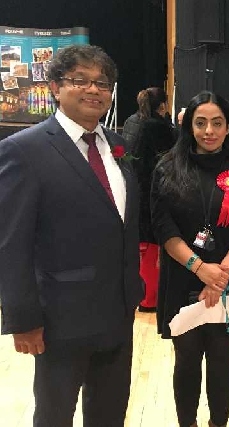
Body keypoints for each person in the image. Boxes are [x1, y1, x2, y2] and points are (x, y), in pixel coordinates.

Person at [0, 44, 143, 426]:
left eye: (102, 83)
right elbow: (11, 244)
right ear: (55, 88)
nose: (93, 90)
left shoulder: (118, 146)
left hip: (118, 311)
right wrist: (22, 318)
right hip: (60, 319)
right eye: (80, 80)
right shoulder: (23, 151)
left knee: (110, 413)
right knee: (54, 416)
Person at [150, 91, 229, 427]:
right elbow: (163, 227)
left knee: (221, 360)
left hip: (228, 279)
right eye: (201, 123)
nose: (209, 131)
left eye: (217, 123)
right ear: (189, 127)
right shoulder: (166, 168)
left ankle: (218, 423)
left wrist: (219, 276)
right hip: (183, 275)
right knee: (185, 361)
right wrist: (200, 269)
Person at [135, 87, 177, 312]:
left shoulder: (138, 123)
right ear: (162, 105)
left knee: (147, 251)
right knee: (153, 251)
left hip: (142, 194)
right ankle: (150, 299)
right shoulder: (159, 127)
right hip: (157, 195)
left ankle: (146, 297)